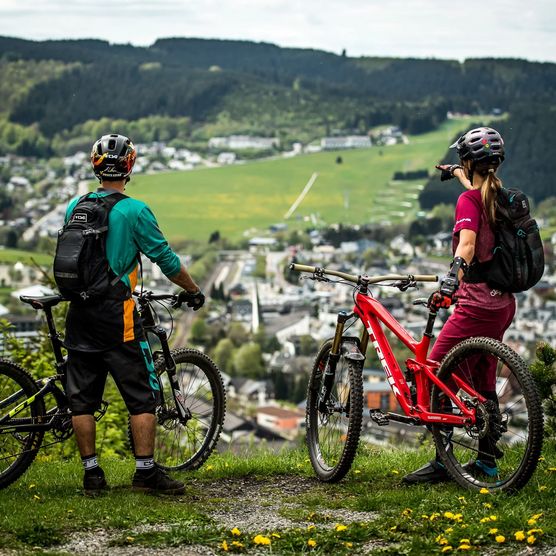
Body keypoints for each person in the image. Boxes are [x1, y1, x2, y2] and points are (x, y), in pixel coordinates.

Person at [64, 133, 205, 495]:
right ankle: (145, 473)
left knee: (82, 397)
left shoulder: (75, 206)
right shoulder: (135, 210)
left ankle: (92, 475)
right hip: (117, 316)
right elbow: (167, 261)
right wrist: (192, 290)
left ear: (96, 165)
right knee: (142, 395)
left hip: (79, 312)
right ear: (129, 166)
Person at [403, 127, 515, 484]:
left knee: (434, 369)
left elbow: (466, 245)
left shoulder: (469, 203)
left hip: (476, 303)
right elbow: (475, 187)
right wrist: (455, 172)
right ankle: (486, 461)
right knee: (483, 377)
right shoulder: (499, 196)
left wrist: (452, 279)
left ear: (470, 160)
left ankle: (443, 461)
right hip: (502, 304)